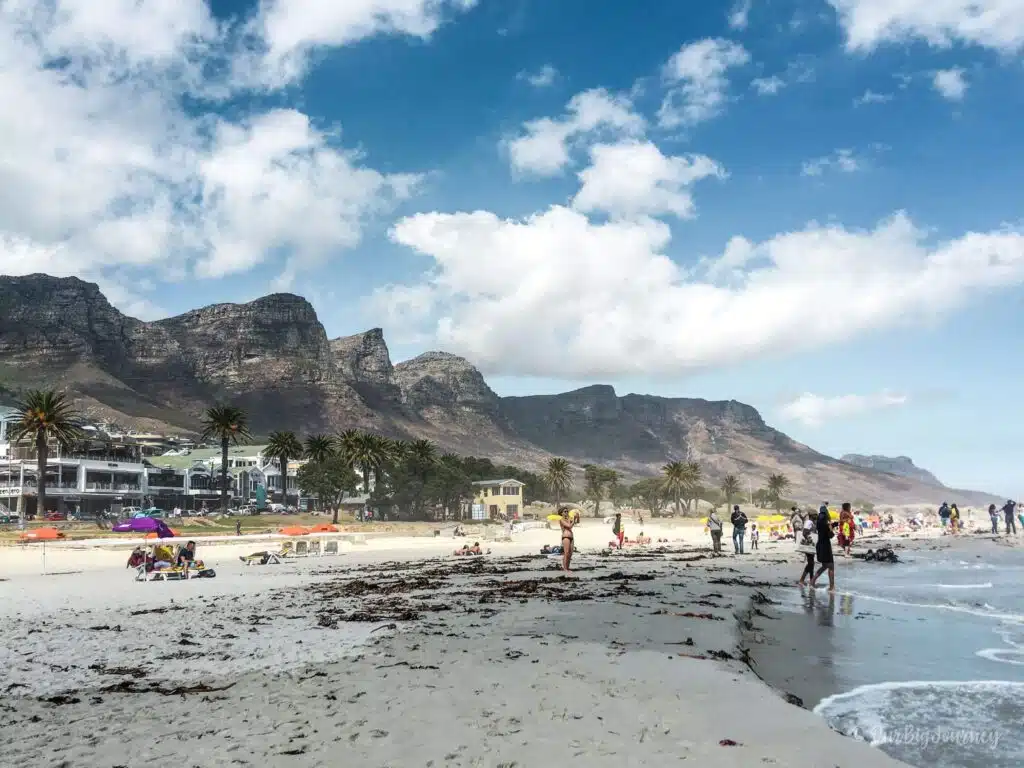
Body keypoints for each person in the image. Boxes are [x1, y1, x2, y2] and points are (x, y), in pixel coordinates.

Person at [811, 504, 836, 592]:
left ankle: (813, 581)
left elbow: (824, 529)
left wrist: (831, 525)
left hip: (820, 545)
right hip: (825, 546)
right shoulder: (826, 523)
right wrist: (831, 528)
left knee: (825, 566)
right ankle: (832, 587)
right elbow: (830, 535)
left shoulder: (819, 522)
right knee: (831, 566)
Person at [797, 516, 816, 586]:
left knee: (811, 563)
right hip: (808, 545)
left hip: (810, 545)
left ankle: (811, 580)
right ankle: (802, 580)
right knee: (811, 563)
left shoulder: (809, 522)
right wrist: (809, 540)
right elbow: (804, 532)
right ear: (813, 516)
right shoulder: (809, 522)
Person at [558, 506, 575, 573]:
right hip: (565, 537)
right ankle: (565, 568)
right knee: (566, 553)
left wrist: (576, 517)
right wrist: (573, 521)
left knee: (570, 553)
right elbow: (569, 526)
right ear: (561, 513)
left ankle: (567, 567)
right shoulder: (561, 520)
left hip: (571, 537)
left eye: (567, 511)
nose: (566, 512)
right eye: (565, 511)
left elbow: (577, 522)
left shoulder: (569, 519)